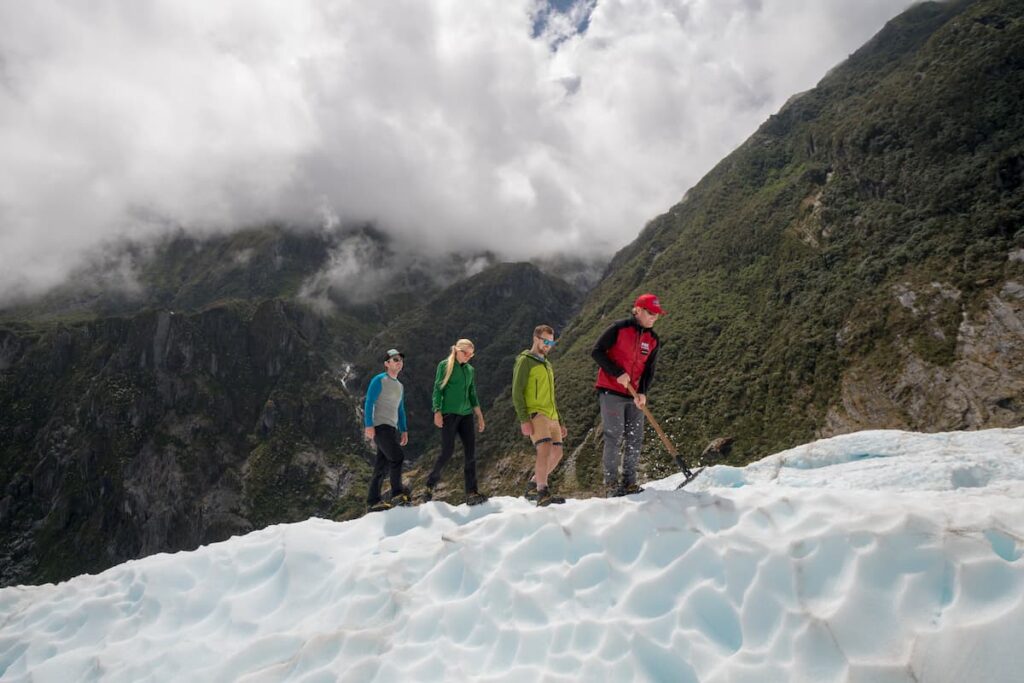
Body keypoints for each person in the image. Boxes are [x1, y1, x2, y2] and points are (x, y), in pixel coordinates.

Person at [591, 293, 664, 497]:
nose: (654, 318)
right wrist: (617, 373)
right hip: (611, 391)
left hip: (634, 396)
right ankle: (611, 485)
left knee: (635, 437)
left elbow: (650, 369)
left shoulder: (653, 340)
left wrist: (642, 393)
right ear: (638, 310)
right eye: (651, 313)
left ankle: (629, 482)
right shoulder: (619, 328)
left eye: (657, 315)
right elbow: (596, 351)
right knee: (614, 436)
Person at [423, 339, 488, 505]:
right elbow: (438, 389)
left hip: (466, 415)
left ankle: (472, 492)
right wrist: (437, 411)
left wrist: (479, 415)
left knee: (470, 453)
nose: (468, 357)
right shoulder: (444, 365)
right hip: (448, 415)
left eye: (471, 354)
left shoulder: (470, 370)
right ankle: (430, 484)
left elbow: (472, 393)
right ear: (457, 350)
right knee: (447, 451)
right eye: (465, 353)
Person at [512, 325, 567, 506]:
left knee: (557, 453)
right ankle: (542, 492)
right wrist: (523, 419)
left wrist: (561, 421)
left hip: (552, 415)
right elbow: (517, 391)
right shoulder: (525, 360)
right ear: (536, 338)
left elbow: (551, 395)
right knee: (544, 449)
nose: (548, 345)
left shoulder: (547, 364)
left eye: (551, 342)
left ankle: (533, 485)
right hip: (536, 413)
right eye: (545, 341)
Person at [364, 348, 410, 512]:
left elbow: (400, 409)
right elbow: (369, 402)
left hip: (391, 429)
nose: (399, 362)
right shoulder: (379, 380)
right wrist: (368, 424)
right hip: (380, 426)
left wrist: (403, 430)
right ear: (387, 363)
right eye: (395, 359)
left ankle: (372, 502)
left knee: (381, 466)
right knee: (397, 457)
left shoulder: (400, 386)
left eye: (400, 360)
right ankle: (397, 494)